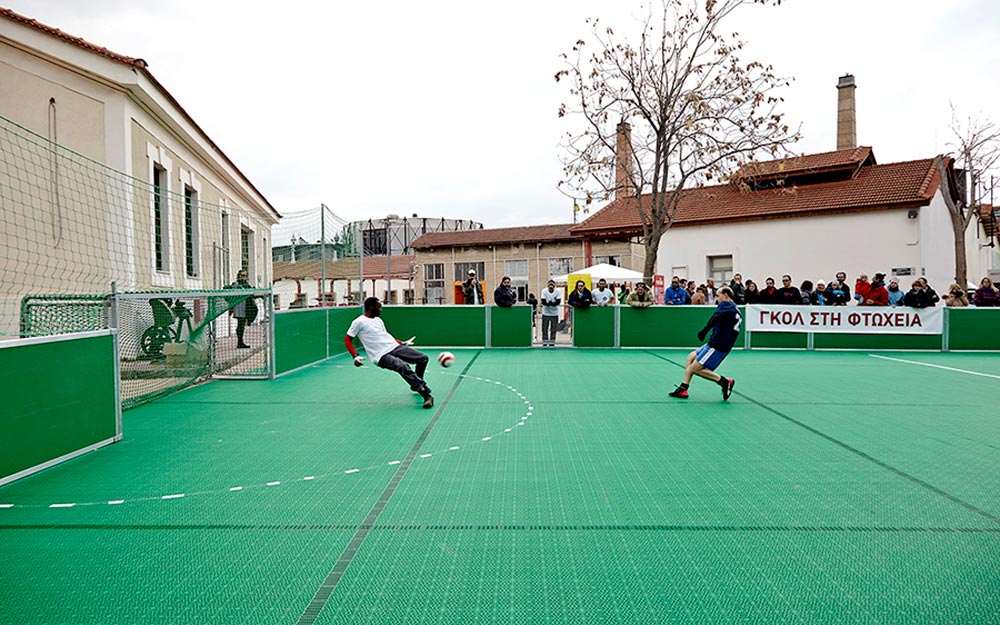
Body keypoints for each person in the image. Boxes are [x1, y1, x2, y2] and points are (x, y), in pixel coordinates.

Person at [344, 297, 434, 409]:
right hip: (381, 355)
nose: (381, 310)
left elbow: (385, 336)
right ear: (371, 307)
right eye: (379, 307)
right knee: (402, 367)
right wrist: (355, 356)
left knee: (423, 358)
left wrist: (403, 342)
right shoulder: (358, 322)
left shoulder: (378, 320)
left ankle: (416, 385)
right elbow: (347, 340)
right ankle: (426, 395)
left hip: (394, 347)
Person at [668, 286, 740, 401]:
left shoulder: (726, 304)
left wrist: (704, 330)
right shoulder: (734, 308)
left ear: (726, 295)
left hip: (718, 345)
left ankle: (725, 382)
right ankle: (683, 388)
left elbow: (716, 316)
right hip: (715, 343)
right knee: (690, 358)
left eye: (718, 295)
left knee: (695, 368)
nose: (717, 298)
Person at [226, 269, 258, 349]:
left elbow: (251, 294)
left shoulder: (246, 284)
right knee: (240, 325)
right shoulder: (236, 284)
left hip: (245, 307)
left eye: (245, 276)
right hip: (239, 307)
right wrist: (231, 307)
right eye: (243, 276)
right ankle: (240, 342)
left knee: (241, 325)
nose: (244, 278)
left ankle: (240, 341)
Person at [540, 280, 561, 347]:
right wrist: (550, 303)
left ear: (554, 286)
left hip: (554, 313)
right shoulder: (544, 291)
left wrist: (549, 303)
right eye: (549, 285)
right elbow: (543, 301)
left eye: (552, 285)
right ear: (548, 286)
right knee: (544, 329)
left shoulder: (558, 291)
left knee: (553, 329)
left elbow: (558, 302)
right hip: (545, 313)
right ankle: (545, 342)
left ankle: (552, 343)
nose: (551, 287)